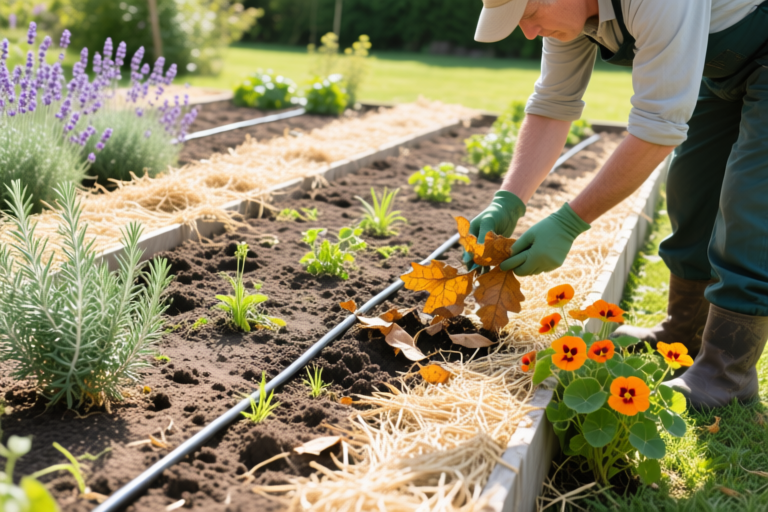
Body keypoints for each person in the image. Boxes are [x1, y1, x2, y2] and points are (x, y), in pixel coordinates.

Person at [467, 0, 768, 409]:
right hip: (717, 64)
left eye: (529, 14)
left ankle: (728, 372)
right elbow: (553, 104)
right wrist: (508, 200)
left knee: (751, 202)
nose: (529, 32)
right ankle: (683, 334)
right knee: (691, 187)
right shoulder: (571, 18)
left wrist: (570, 222)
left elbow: (657, 128)